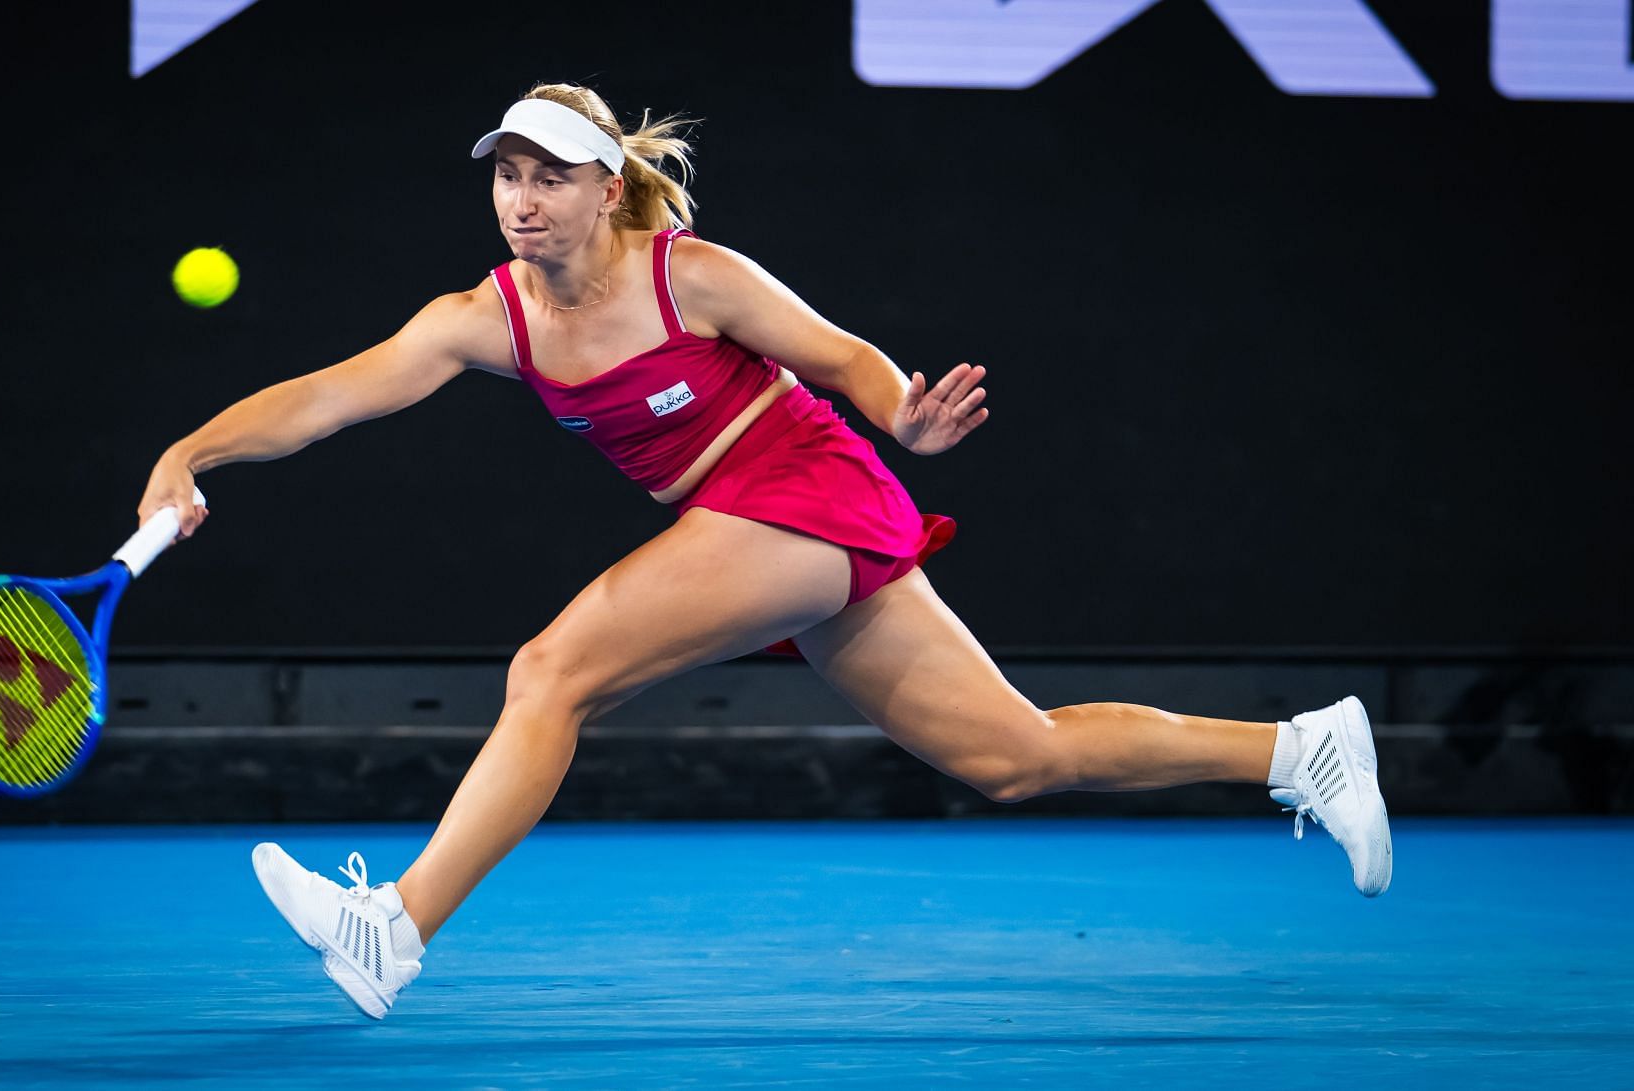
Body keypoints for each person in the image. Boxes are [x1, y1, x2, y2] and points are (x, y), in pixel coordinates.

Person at [135, 83, 1393, 1020]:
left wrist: (908, 414)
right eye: (507, 174)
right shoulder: (484, 319)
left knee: (552, 669)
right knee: (1019, 755)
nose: (523, 198)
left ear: (607, 189)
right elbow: (329, 395)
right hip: (756, 522)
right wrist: (190, 451)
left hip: (805, 486)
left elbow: (845, 360)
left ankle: (396, 927)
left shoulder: (696, 275)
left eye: (551, 176)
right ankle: (1301, 747)